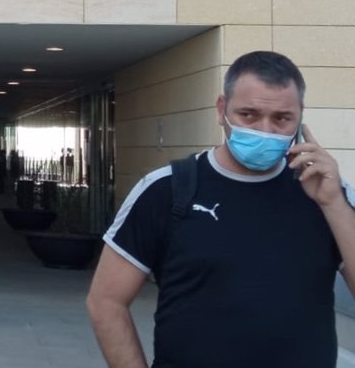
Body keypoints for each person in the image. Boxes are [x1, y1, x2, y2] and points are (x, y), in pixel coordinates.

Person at [86, 51, 355, 368]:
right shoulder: (166, 190)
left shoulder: (328, 194)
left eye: (282, 118)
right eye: (248, 115)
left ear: (300, 118)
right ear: (221, 109)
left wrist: (333, 203)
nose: (264, 130)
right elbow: (106, 301)